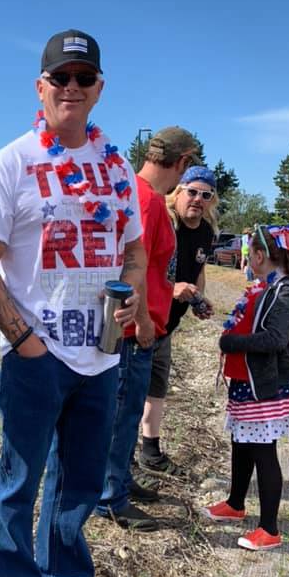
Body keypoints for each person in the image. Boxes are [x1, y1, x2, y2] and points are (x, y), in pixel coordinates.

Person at [0, 29, 145, 577]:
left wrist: (136, 304)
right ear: (40, 88)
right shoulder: (9, 164)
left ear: (99, 89)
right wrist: (26, 342)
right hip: (36, 358)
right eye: (59, 78)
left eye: (83, 79)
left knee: (80, 485)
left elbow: (133, 249)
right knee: (19, 485)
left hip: (101, 355)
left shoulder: (118, 168)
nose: (71, 89)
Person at [95, 128, 203, 531]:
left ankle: (121, 479)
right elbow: (134, 265)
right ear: (181, 162)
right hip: (135, 329)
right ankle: (110, 496)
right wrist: (142, 322)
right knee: (123, 415)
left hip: (136, 324)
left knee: (124, 409)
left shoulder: (133, 193)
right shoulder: (151, 203)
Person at [201, 226, 289, 551]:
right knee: (242, 442)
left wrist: (231, 341)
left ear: (261, 256)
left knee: (263, 452)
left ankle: (269, 528)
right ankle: (236, 503)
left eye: (250, 254)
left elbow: (275, 339)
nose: (249, 260)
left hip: (267, 386)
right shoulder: (270, 287)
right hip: (250, 382)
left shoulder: (286, 292)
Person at [139, 167, 218, 475]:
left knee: (157, 390)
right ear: (179, 191)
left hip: (167, 327)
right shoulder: (164, 221)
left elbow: (198, 272)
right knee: (130, 394)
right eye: (192, 192)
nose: (198, 200)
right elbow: (142, 272)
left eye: (206, 195)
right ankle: (120, 461)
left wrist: (199, 298)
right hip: (142, 322)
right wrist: (172, 289)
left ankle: (151, 450)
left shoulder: (206, 232)